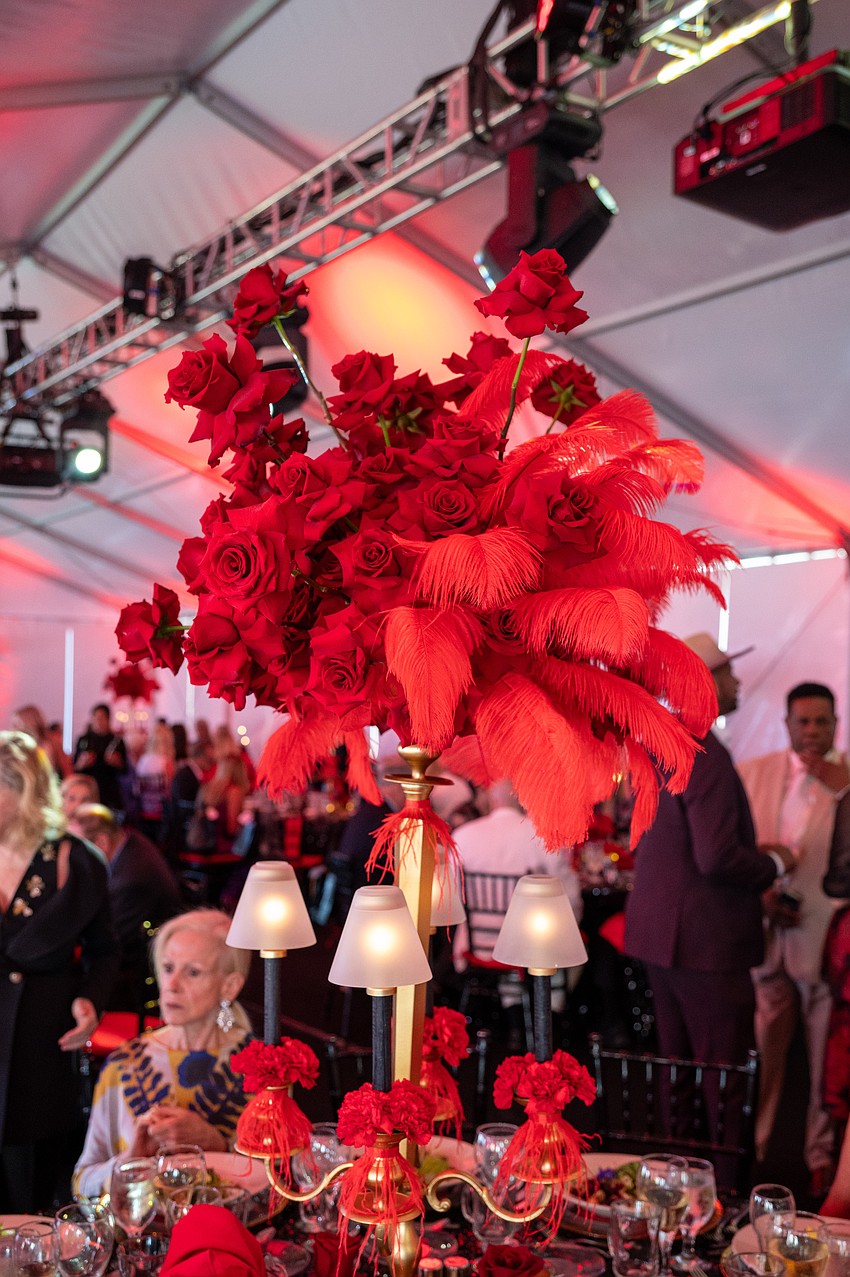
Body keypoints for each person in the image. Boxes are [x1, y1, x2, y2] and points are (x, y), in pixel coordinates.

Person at [624, 634, 795, 1080]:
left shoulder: (662, 743)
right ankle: (718, 1155)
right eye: (728, 673)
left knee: (675, 1070)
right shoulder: (704, 751)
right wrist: (774, 864)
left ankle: (678, 1154)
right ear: (706, 682)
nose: (737, 682)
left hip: (659, 932)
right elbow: (715, 857)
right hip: (706, 942)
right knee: (724, 1078)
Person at [0, 731, 118, 1212]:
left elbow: (105, 952)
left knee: (29, 1186)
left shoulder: (73, 860)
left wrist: (90, 1000)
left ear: (23, 789)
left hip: (40, 1039)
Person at [739, 682, 850, 1194]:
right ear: (786, 724)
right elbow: (739, 850)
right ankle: (754, 1148)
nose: (811, 731)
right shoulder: (754, 773)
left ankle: (819, 1161)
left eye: (822, 722)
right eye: (802, 721)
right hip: (767, 933)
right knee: (766, 1048)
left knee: (824, 1062)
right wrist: (761, 896)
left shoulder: (848, 780)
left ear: (836, 726)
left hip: (822, 937)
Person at [73, 909, 252, 1198]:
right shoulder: (124, 1064)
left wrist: (215, 1143)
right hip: (140, 1236)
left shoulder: (262, 1067)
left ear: (229, 986)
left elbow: (282, 1183)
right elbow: (82, 1184)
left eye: (192, 972)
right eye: (168, 968)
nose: (171, 986)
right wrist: (130, 1161)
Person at [69, 804, 183, 1013]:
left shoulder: (130, 880)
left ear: (101, 842)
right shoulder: (130, 844)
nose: (69, 857)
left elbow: (109, 942)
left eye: (76, 847)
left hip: (137, 983)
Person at [73, 704, 128, 813]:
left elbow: (125, 770)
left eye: (102, 718)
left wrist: (117, 762)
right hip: (88, 790)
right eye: (96, 718)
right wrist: (81, 763)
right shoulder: (84, 740)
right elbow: (75, 767)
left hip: (109, 791)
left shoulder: (116, 741)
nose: (99, 721)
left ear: (108, 720)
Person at [133, 721, 176, 845]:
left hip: (142, 811)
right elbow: (169, 792)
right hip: (161, 814)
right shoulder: (167, 763)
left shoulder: (142, 761)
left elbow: (136, 789)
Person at [11, 705, 72, 779]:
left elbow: (66, 769)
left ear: (28, 723)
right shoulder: (19, 745)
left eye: (16, 724)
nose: (13, 728)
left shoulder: (51, 743)